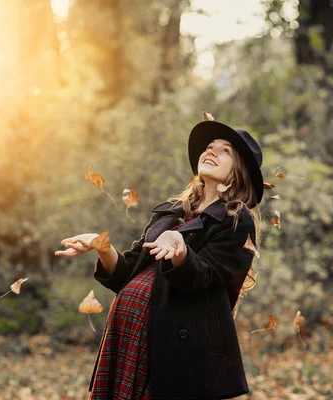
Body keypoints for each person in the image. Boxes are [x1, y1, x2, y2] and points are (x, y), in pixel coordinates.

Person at [55, 119, 264, 400]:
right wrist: (102, 246)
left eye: (225, 150)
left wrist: (181, 254)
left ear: (239, 173)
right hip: (127, 332)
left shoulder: (236, 222)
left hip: (171, 349)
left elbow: (208, 279)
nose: (211, 151)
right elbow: (126, 273)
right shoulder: (171, 213)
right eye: (210, 147)